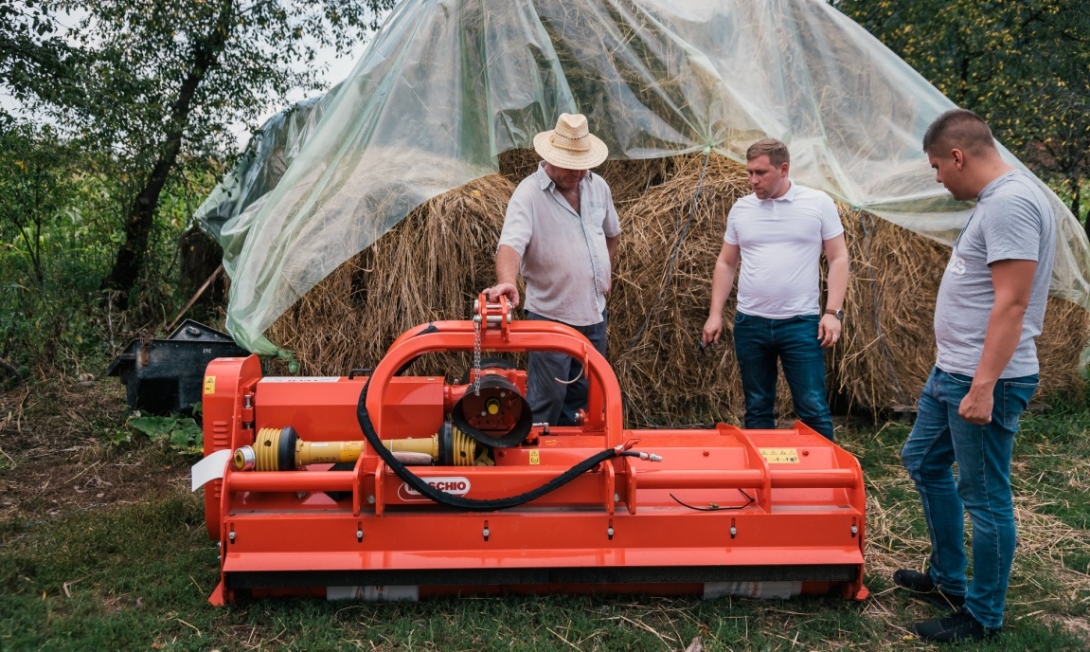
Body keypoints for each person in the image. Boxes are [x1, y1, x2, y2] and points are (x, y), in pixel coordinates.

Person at [894, 109, 1056, 643]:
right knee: (922, 460)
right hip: (954, 371)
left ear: (958, 156)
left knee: (985, 496)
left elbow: (1012, 304)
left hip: (985, 380)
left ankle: (982, 614)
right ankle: (948, 578)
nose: (938, 177)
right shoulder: (999, 199)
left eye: (938, 166)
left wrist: (984, 385)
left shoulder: (1011, 203)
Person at [701, 138, 848, 441]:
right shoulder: (742, 209)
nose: (753, 180)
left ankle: (824, 481)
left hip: (800, 324)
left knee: (812, 406)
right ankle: (763, 482)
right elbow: (726, 263)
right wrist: (715, 314)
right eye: (749, 173)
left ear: (783, 169)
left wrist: (832, 312)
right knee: (756, 407)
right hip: (750, 323)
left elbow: (838, 257)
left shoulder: (817, 203)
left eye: (760, 173)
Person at [484, 113, 619, 426]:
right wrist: (507, 282)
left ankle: (577, 466)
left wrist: (603, 270)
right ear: (549, 158)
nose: (577, 173)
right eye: (569, 167)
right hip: (551, 318)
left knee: (585, 399)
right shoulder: (529, 194)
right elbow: (510, 246)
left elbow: (612, 233)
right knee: (548, 400)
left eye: (582, 165)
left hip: (594, 315)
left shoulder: (597, 187)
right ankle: (539, 464)